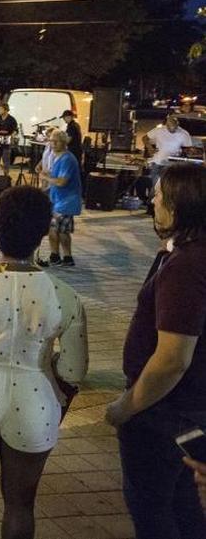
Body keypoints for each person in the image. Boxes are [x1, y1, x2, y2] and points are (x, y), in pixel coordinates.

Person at [0, 185, 88, 539]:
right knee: (20, 504)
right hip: (35, 398)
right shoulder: (65, 295)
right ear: (43, 232)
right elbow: (73, 370)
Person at [105, 164, 206, 538]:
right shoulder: (190, 255)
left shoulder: (186, 267)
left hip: (164, 414)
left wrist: (125, 407)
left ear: (180, 206)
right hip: (189, 410)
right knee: (182, 504)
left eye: (160, 196)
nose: (153, 201)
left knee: (153, 512)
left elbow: (172, 359)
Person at [36, 130, 82, 268]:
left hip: (66, 200)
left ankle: (63, 257)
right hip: (58, 199)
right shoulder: (58, 158)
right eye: (51, 141)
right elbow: (55, 176)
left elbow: (62, 181)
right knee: (58, 230)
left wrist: (45, 177)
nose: (53, 144)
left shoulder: (67, 159)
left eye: (56, 141)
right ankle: (57, 256)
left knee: (58, 230)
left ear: (64, 142)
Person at [145, 113, 194, 180]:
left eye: (174, 129)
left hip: (174, 165)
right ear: (166, 125)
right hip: (158, 163)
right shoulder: (158, 130)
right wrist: (149, 148)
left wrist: (186, 153)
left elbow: (188, 149)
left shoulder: (184, 134)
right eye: (170, 129)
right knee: (155, 186)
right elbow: (144, 138)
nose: (172, 131)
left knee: (172, 186)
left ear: (177, 125)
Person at [0, 103, 19, 176]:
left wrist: (12, 135)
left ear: (6, 110)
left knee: (6, 160)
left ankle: (6, 177)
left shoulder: (11, 119)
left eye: (1, 109)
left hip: (6, 142)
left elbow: (15, 130)